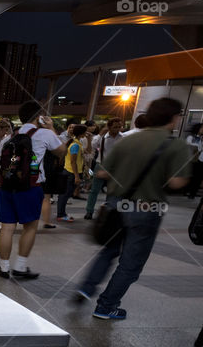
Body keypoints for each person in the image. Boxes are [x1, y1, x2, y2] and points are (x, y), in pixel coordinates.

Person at [75, 97, 192, 319]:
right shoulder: (176, 144)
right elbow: (177, 182)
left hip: (115, 204)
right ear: (174, 118)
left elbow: (101, 173)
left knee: (108, 250)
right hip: (146, 209)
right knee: (131, 262)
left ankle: (86, 288)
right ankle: (106, 306)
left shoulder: (127, 141)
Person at [0, 101, 65, 279]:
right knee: (30, 227)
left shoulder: (11, 135)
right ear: (39, 116)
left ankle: (3, 268)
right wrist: (51, 127)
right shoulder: (45, 133)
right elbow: (61, 151)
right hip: (30, 187)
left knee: (7, 228)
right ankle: (20, 267)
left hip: (8, 187)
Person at [84, 118, 124, 219]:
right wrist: (100, 134)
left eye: (119, 127)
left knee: (112, 191)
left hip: (117, 167)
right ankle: (89, 211)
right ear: (109, 127)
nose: (118, 129)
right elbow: (93, 145)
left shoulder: (123, 137)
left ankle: (108, 212)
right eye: (115, 127)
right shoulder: (102, 137)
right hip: (101, 165)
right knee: (94, 190)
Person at [56, 124, 87, 222]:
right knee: (65, 195)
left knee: (65, 194)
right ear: (82, 133)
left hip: (70, 171)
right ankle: (61, 214)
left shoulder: (75, 143)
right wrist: (77, 176)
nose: (86, 133)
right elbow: (73, 161)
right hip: (71, 173)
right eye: (85, 132)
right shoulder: (75, 145)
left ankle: (62, 213)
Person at [184, 123, 203, 199]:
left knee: (198, 177)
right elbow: (189, 147)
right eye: (202, 128)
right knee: (192, 176)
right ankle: (187, 191)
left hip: (200, 160)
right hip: (192, 160)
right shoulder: (191, 137)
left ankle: (193, 193)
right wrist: (198, 146)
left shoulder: (201, 138)